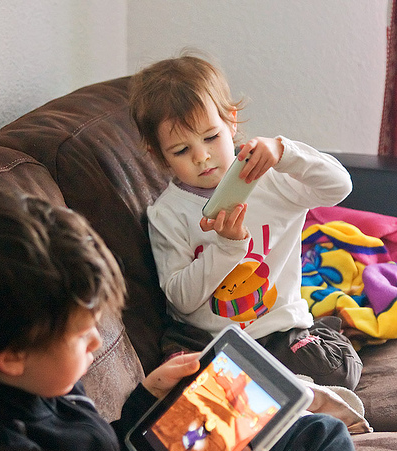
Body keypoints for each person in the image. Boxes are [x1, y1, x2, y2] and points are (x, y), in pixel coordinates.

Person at [0, 191, 371, 451]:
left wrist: (145, 397)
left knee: (314, 433)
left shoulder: (43, 380)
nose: (95, 341)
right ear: (11, 356)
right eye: (80, 333)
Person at [129, 53, 362, 390]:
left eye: (211, 137)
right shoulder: (168, 214)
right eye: (181, 150)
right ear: (157, 154)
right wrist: (226, 247)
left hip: (277, 330)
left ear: (231, 122)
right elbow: (180, 298)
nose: (201, 157)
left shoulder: (272, 179)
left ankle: (324, 333)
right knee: (186, 390)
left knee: (335, 374)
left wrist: (285, 152)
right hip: (205, 339)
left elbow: (339, 186)